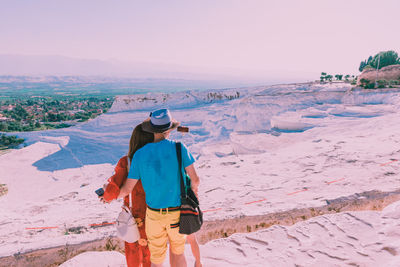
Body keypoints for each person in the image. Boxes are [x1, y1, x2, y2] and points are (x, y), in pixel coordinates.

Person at [118, 108, 201, 267]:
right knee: (178, 253)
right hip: (177, 213)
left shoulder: (140, 155)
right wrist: (193, 194)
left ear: (152, 129)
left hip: (154, 216)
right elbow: (195, 180)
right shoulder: (179, 148)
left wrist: (108, 195)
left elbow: (127, 189)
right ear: (169, 129)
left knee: (156, 260)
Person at [101, 124, 154, 267]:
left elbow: (114, 189)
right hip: (155, 213)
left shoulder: (127, 162)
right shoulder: (156, 159)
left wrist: (105, 195)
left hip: (134, 216)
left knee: (134, 254)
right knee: (153, 254)